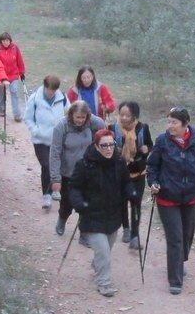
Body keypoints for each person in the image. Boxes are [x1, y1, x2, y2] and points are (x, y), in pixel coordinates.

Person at [145, 106, 195, 295]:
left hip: (191, 196)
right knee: (176, 239)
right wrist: (153, 182)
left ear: (185, 124)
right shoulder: (162, 141)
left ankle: (179, 261)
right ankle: (175, 280)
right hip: (167, 197)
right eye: (168, 121)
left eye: (174, 122)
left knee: (187, 236)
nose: (170, 126)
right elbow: (152, 166)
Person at [68, 128, 136, 297]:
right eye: (104, 145)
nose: (108, 149)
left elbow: (126, 183)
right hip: (91, 216)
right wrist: (79, 203)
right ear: (96, 146)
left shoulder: (119, 162)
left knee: (107, 247)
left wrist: (132, 193)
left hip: (113, 215)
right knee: (104, 252)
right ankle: (104, 283)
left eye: (111, 145)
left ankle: (98, 265)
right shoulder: (84, 164)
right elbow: (74, 187)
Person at [49, 101, 105, 236]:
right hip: (68, 172)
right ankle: (62, 219)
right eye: (77, 117)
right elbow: (55, 153)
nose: (80, 120)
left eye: (83, 117)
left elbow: (103, 134)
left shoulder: (93, 123)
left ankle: (84, 233)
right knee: (67, 202)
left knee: (87, 203)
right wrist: (55, 179)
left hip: (87, 171)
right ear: (71, 115)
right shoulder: (61, 126)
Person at [112, 101, 152, 250]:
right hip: (120, 173)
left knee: (136, 203)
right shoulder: (112, 128)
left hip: (138, 173)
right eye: (121, 114)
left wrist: (146, 149)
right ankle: (126, 229)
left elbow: (150, 145)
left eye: (127, 115)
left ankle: (135, 235)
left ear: (134, 115)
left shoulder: (142, 128)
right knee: (122, 202)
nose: (123, 118)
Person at [24, 74, 68, 210]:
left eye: (53, 90)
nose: (51, 93)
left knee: (57, 165)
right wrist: (36, 130)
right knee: (47, 165)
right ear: (44, 87)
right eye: (49, 89)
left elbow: (69, 115)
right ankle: (47, 195)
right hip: (40, 140)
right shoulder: (35, 99)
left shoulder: (63, 99)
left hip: (57, 140)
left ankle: (56, 190)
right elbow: (28, 118)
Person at [0, 31, 26, 122]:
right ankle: (2, 109)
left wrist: (22, 73)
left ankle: (17, 114)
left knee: (14, 92)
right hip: (2, 76)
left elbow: (19, 60)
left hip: (14, 75)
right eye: (3, 41)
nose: (5, 42)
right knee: (1, 93)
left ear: (10, 41)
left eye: (7, 40)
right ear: (0, 41)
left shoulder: (15, 48)